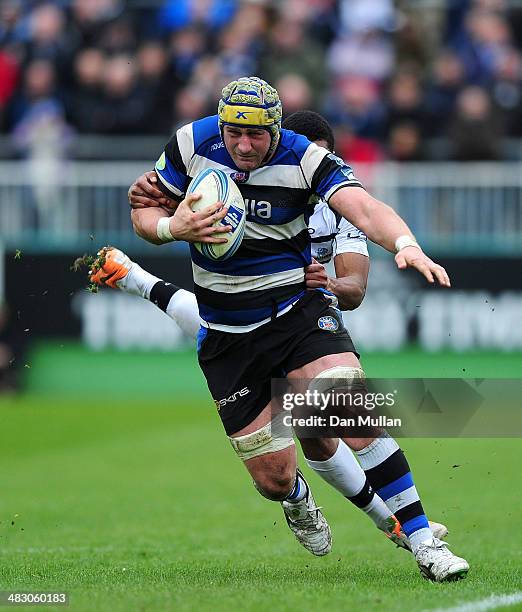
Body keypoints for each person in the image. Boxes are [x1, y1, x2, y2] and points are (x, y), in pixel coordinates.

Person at [126, 77, 468, 581]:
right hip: (225, 334)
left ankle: (423, 543)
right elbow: (142, 209)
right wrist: (170, 228)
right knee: (274, 477)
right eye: (235, 133)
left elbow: (366, 209)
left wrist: (405, 245)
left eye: (257, 135)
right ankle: (297, 497)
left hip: (296, 314)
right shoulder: (189, 144)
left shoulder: (306, 159)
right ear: (221, 125)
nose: (244, 144)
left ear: (276, 128)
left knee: (351, 408)